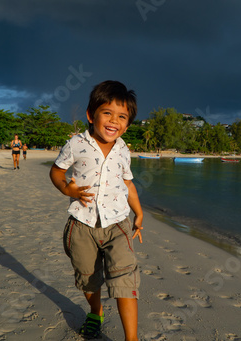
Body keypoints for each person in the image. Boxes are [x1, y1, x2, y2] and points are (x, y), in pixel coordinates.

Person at [49, 80, 144, 340]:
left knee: (125, 279)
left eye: (122, 116)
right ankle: (95, 312)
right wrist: (66, 190)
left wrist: (139, 213)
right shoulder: (75, 144)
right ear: (92, 115)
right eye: (107, 113)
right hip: (81, 224)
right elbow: (56, 172)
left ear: (127, 123)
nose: (114, 121)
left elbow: (128, 184)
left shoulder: (123, 149)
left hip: (117, 224)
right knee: (88, 278)